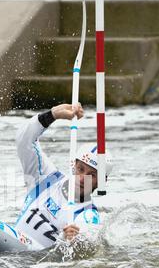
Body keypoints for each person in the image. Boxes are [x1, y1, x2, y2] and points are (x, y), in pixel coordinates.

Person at [15, 103, 113, 250]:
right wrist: (52, 115)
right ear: (73, 165)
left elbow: (85, 247)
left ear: (101, 182)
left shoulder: (88, 215)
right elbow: (24, 141)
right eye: (80, 169)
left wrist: (72, 242)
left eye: (91, 175)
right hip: (9, 247)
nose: (82, 178)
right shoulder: (46, 178)